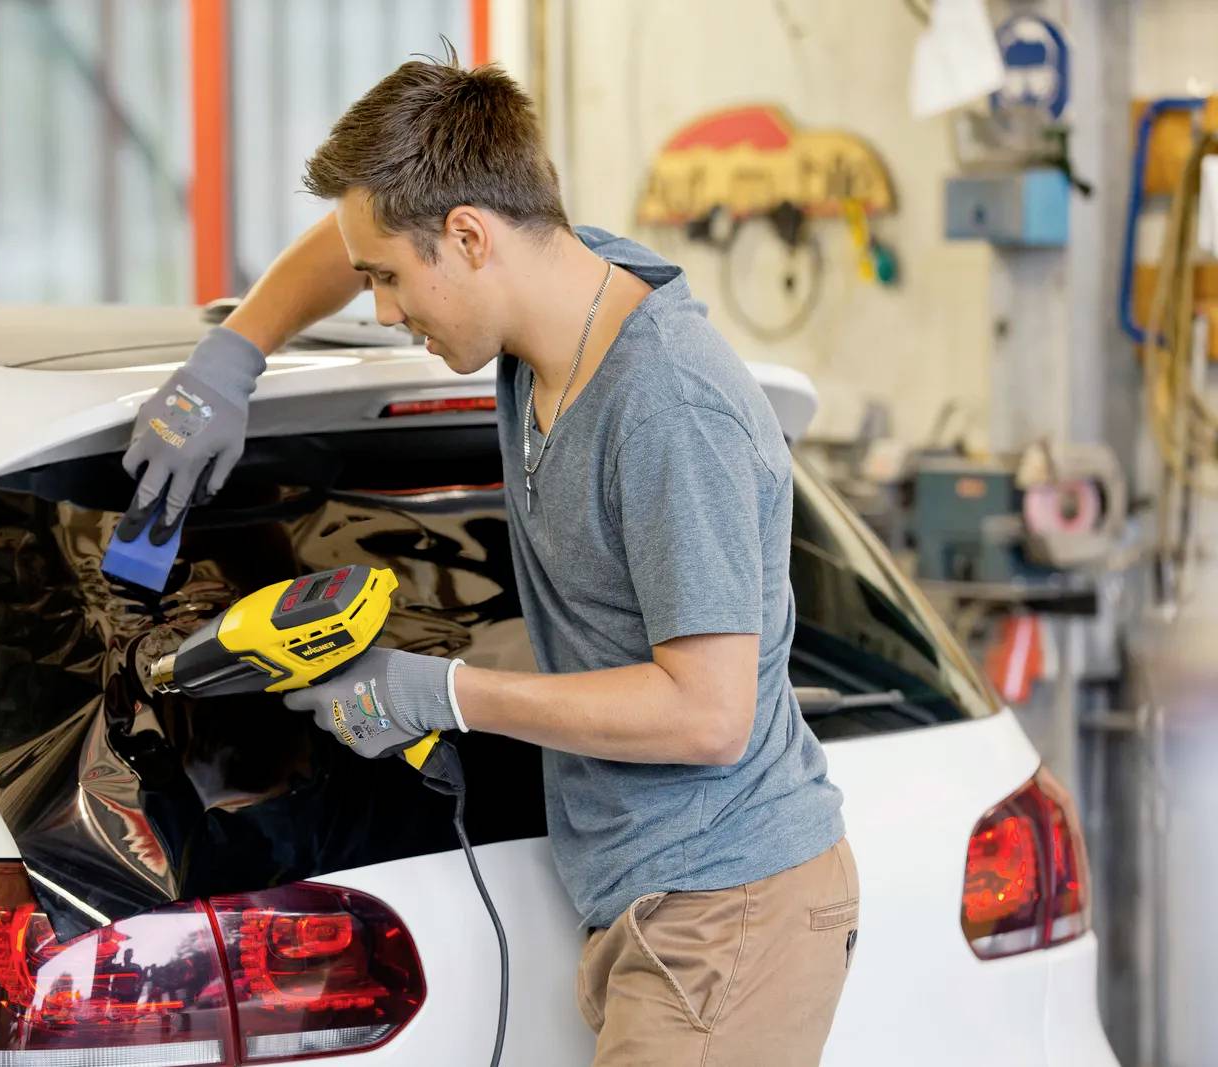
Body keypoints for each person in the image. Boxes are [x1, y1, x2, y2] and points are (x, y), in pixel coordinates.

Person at [120, 48, 858, 1067]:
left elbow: (708, 711)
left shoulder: (665, 408)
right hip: (648, 899)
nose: (379, 308)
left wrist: (443, 691)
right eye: (370, 277)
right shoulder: (543, 284)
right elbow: (364, 234)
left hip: (719, 911)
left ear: (468, 237)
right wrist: (234, 355)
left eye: (388, 282)